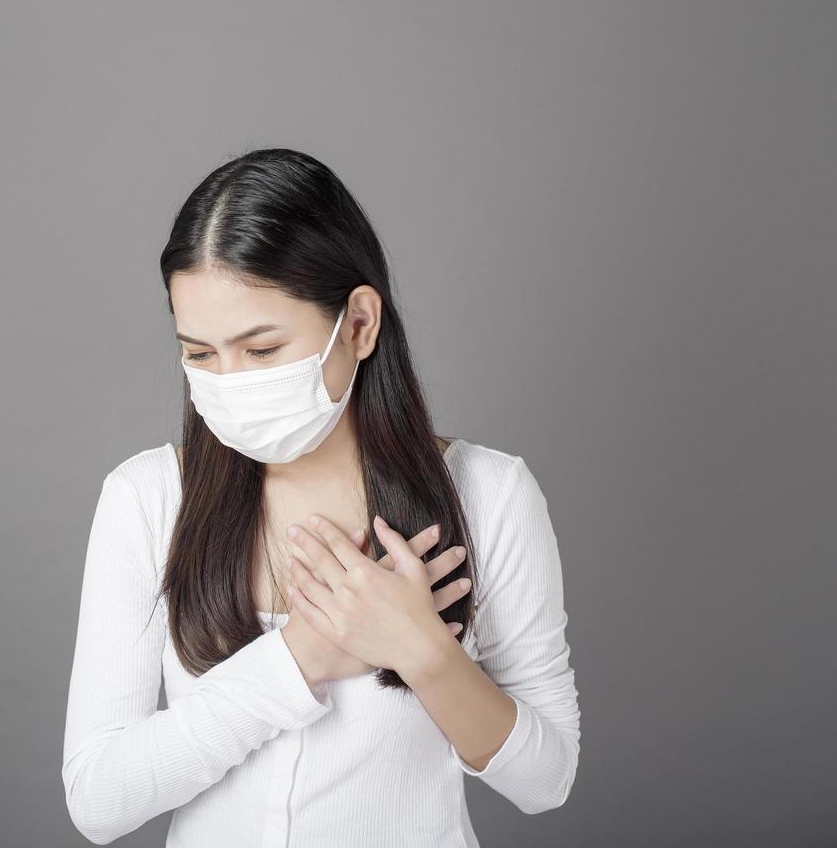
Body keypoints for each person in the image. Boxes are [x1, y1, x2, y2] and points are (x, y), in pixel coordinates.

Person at [62, 148, 580, 846]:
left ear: (360, 324)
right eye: (200, 353)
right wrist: (300, 657)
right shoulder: (149, 498)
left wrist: (422, 649)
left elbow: (545, 781)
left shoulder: (488, 494)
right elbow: (99, 800)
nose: (230, 381)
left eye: (263, 349)